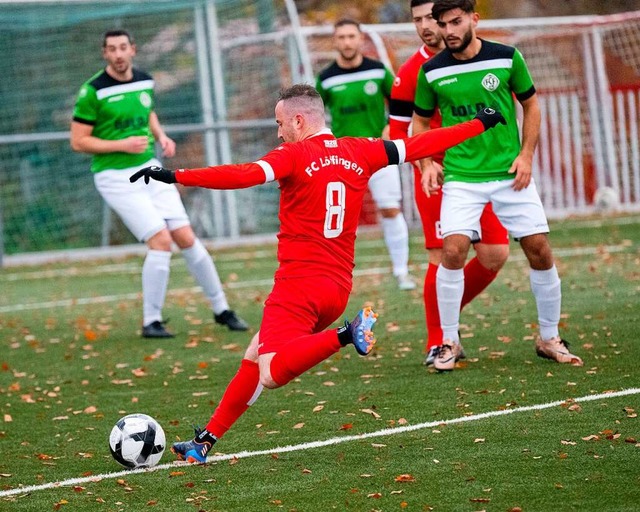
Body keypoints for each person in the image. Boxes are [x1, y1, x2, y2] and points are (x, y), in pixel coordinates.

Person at [129, 84, 506, 462]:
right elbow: (419, 145)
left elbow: (242, 174)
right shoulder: (362, 150)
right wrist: (479, 123)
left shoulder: (292, 155)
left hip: (298, 287)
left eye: (280, 124)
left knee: (271, 372)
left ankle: (347, 333)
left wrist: (177, 176)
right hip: (337, 288)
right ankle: (205, 441)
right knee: (255, 352)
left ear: (297, 119)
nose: (278, 132)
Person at [413, 0, 583, 371]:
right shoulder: (431, 71)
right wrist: (426, 163)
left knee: (539, 249)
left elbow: (531, 105)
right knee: (453, 250)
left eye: (455, 22)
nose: (448, 31)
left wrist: (526, 155)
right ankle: (448, 342)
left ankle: (549, 337)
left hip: (510, 174)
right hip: (461, 176)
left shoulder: (506, 57)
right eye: (442, 24)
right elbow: (420, 122)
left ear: (474, 18)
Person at [70, 29, 248, 338]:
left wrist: (161, 135)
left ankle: (222, 309)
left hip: (150, 169)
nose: (118, 54)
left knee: (186, 237)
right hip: (115, 177)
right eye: (112, 49)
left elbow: (148, 111)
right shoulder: (92, 91)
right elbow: (78, 141)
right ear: (105, 54)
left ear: (133, 50)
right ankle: (151, 321)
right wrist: (121, 145)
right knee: (161, 241)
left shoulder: (144, 80)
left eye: (123, 47)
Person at [389, 0, 509, 367]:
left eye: (431, 18)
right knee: (442, 256)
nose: (426, 26)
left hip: (479, 170)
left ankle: (445, 312)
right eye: (417, 21)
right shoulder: (412, 70)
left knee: (494, 254)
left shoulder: (480, 57)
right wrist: (424, 163)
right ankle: (438, 339)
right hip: (436, 173)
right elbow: (398, 131)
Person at [316, 18, 416, 291]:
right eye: (341, 37)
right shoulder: (326, 78)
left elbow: (400, 102)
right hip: (342, 158)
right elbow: (314, 116)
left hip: (379, 153)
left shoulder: (378, 70)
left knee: (390, 209)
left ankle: (401, 271)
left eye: (351, 36)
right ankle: (333, 277)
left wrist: (389, 127)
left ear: (361, 39)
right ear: (335, 42)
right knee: (336, 216)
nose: (347, 42)